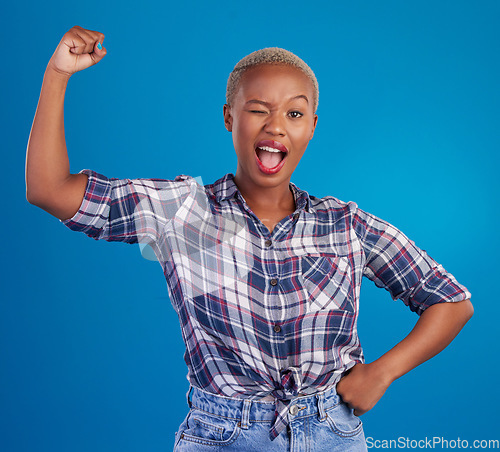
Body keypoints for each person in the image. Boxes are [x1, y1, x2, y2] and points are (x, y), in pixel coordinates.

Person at [26, 26, 473, 451]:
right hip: (222, 435)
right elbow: (50, 190)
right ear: (229, 117)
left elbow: (451, 301)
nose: (276, 125)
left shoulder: (346, 225)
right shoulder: (180, 211)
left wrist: (382, 373)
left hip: (333, 433)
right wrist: (57, 74)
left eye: (294, 113)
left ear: (312, 127)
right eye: (258, 109)